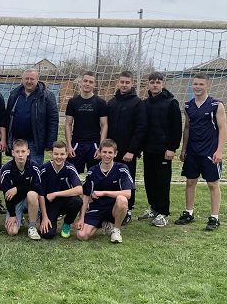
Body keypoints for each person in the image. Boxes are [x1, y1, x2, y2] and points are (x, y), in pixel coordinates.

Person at [175, 73, 227, 231]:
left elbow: (223, 129)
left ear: (207, 86)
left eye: (201, 84)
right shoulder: (187, 106)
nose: (197, 87)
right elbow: (187, 128)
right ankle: (189, 213)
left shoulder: (216, 105)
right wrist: (184, 149)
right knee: (190, 182)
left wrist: (219, 150)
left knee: (212, 184)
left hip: (210, 151)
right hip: (192, 151)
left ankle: (214, 217)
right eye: (195, 84)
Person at [138, 71, 182, 227]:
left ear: (163, 84)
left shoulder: (171, 102)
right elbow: (142, 127)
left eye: (158, 82)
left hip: (164, 151)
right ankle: (154, 208)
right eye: (152, 82)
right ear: (148, 85)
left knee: (162, 182)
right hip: (149, 149)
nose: (155, 85)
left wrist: (172, 148)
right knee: (150, 181)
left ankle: (164, 212)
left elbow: (177, 127)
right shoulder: (145, 103)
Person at [106, 70, 146, 223]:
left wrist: (132, 150)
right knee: (112, 178)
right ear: (118, 82)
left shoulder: (137, 103)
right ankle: (112, 208)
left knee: (127, 180)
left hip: (128, 152)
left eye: (127, 82)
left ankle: (128, 209)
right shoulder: (112, 102)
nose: (124, 85)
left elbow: (141, 128)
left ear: (132, 83)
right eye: (122, 82)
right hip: (111, 152)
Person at [76, 139, 133, 244]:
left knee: (122, 199)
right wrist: (81, 218)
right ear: (99, 152)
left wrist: (104, 193)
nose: (107, 155)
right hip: (98, 207)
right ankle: (103, 224)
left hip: (114, 208)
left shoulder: (122, 169)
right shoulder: (92, 171)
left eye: (110, 152)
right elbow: (86, 195)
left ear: (115, 153)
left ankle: (116, 230)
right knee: (81, 235)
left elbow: (128, 194)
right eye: (104, 152)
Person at [5, 68, 59, 166]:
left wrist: (50, 142)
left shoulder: (47, 96)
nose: (29, 81)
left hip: (35, 142)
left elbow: (53, 120)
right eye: (26, 79)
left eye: (32, 79)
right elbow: (8, 117)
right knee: (18, 168)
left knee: (35, 168)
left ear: (37, 80)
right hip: (17, 140)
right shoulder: (14, 94)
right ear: (22, 79)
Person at [38, 141, 83, 239]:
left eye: (62, 154)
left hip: (65, 201)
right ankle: (50, 219)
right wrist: (44, 217)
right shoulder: (44, 169)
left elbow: (79, 189)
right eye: (56, 154)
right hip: (50, 204)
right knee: (47, 234)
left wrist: (56, 194)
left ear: (66, 154)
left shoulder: (70, 168)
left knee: (77, 201)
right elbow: (40, 195)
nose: (59, 157)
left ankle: (67, 223)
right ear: (51, 154)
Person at [65, 71, 108, 173]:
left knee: (95, 175)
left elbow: (104, 125)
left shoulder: (101, 103)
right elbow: (68, 124)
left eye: (90, 82)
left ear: (94, 84)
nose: (87, 84)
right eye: (85, 81)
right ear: (81, 82)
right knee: (73, 174)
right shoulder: (72, 102)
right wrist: (69, 145)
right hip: (76, 144)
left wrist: (101, 147)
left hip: (94, 144)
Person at [0, 139, 42, 239]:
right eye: (17, 151)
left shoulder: (34, 167)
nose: (20, 155)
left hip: (29, 200)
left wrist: (17, 189)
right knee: (12, 231)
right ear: (13, 153)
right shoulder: (6, 169)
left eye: (23, 151)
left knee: (32, 194)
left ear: (28, 152)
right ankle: (20, 216)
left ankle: (32, 226)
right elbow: (7, 195)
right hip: (15, 202)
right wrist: (12, 215)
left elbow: (38, 188)